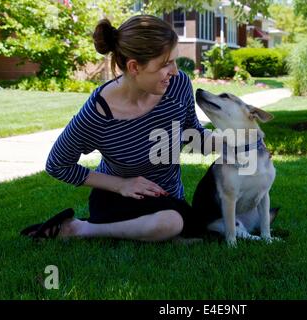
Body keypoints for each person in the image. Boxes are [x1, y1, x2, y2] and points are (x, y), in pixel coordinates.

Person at [20, 15, 215, 242]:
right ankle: (79, 229)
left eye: (174, 61)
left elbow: (193, 134)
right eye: (165, 64)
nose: (174, 70)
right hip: (116, 197)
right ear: (134, 67)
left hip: (169, 198)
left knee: (197, 227)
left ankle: (165, 230)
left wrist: (237, 140)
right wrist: (122, 184)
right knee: (172, 223)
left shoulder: (177, 85)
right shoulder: (98, 113)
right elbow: (57, 165)